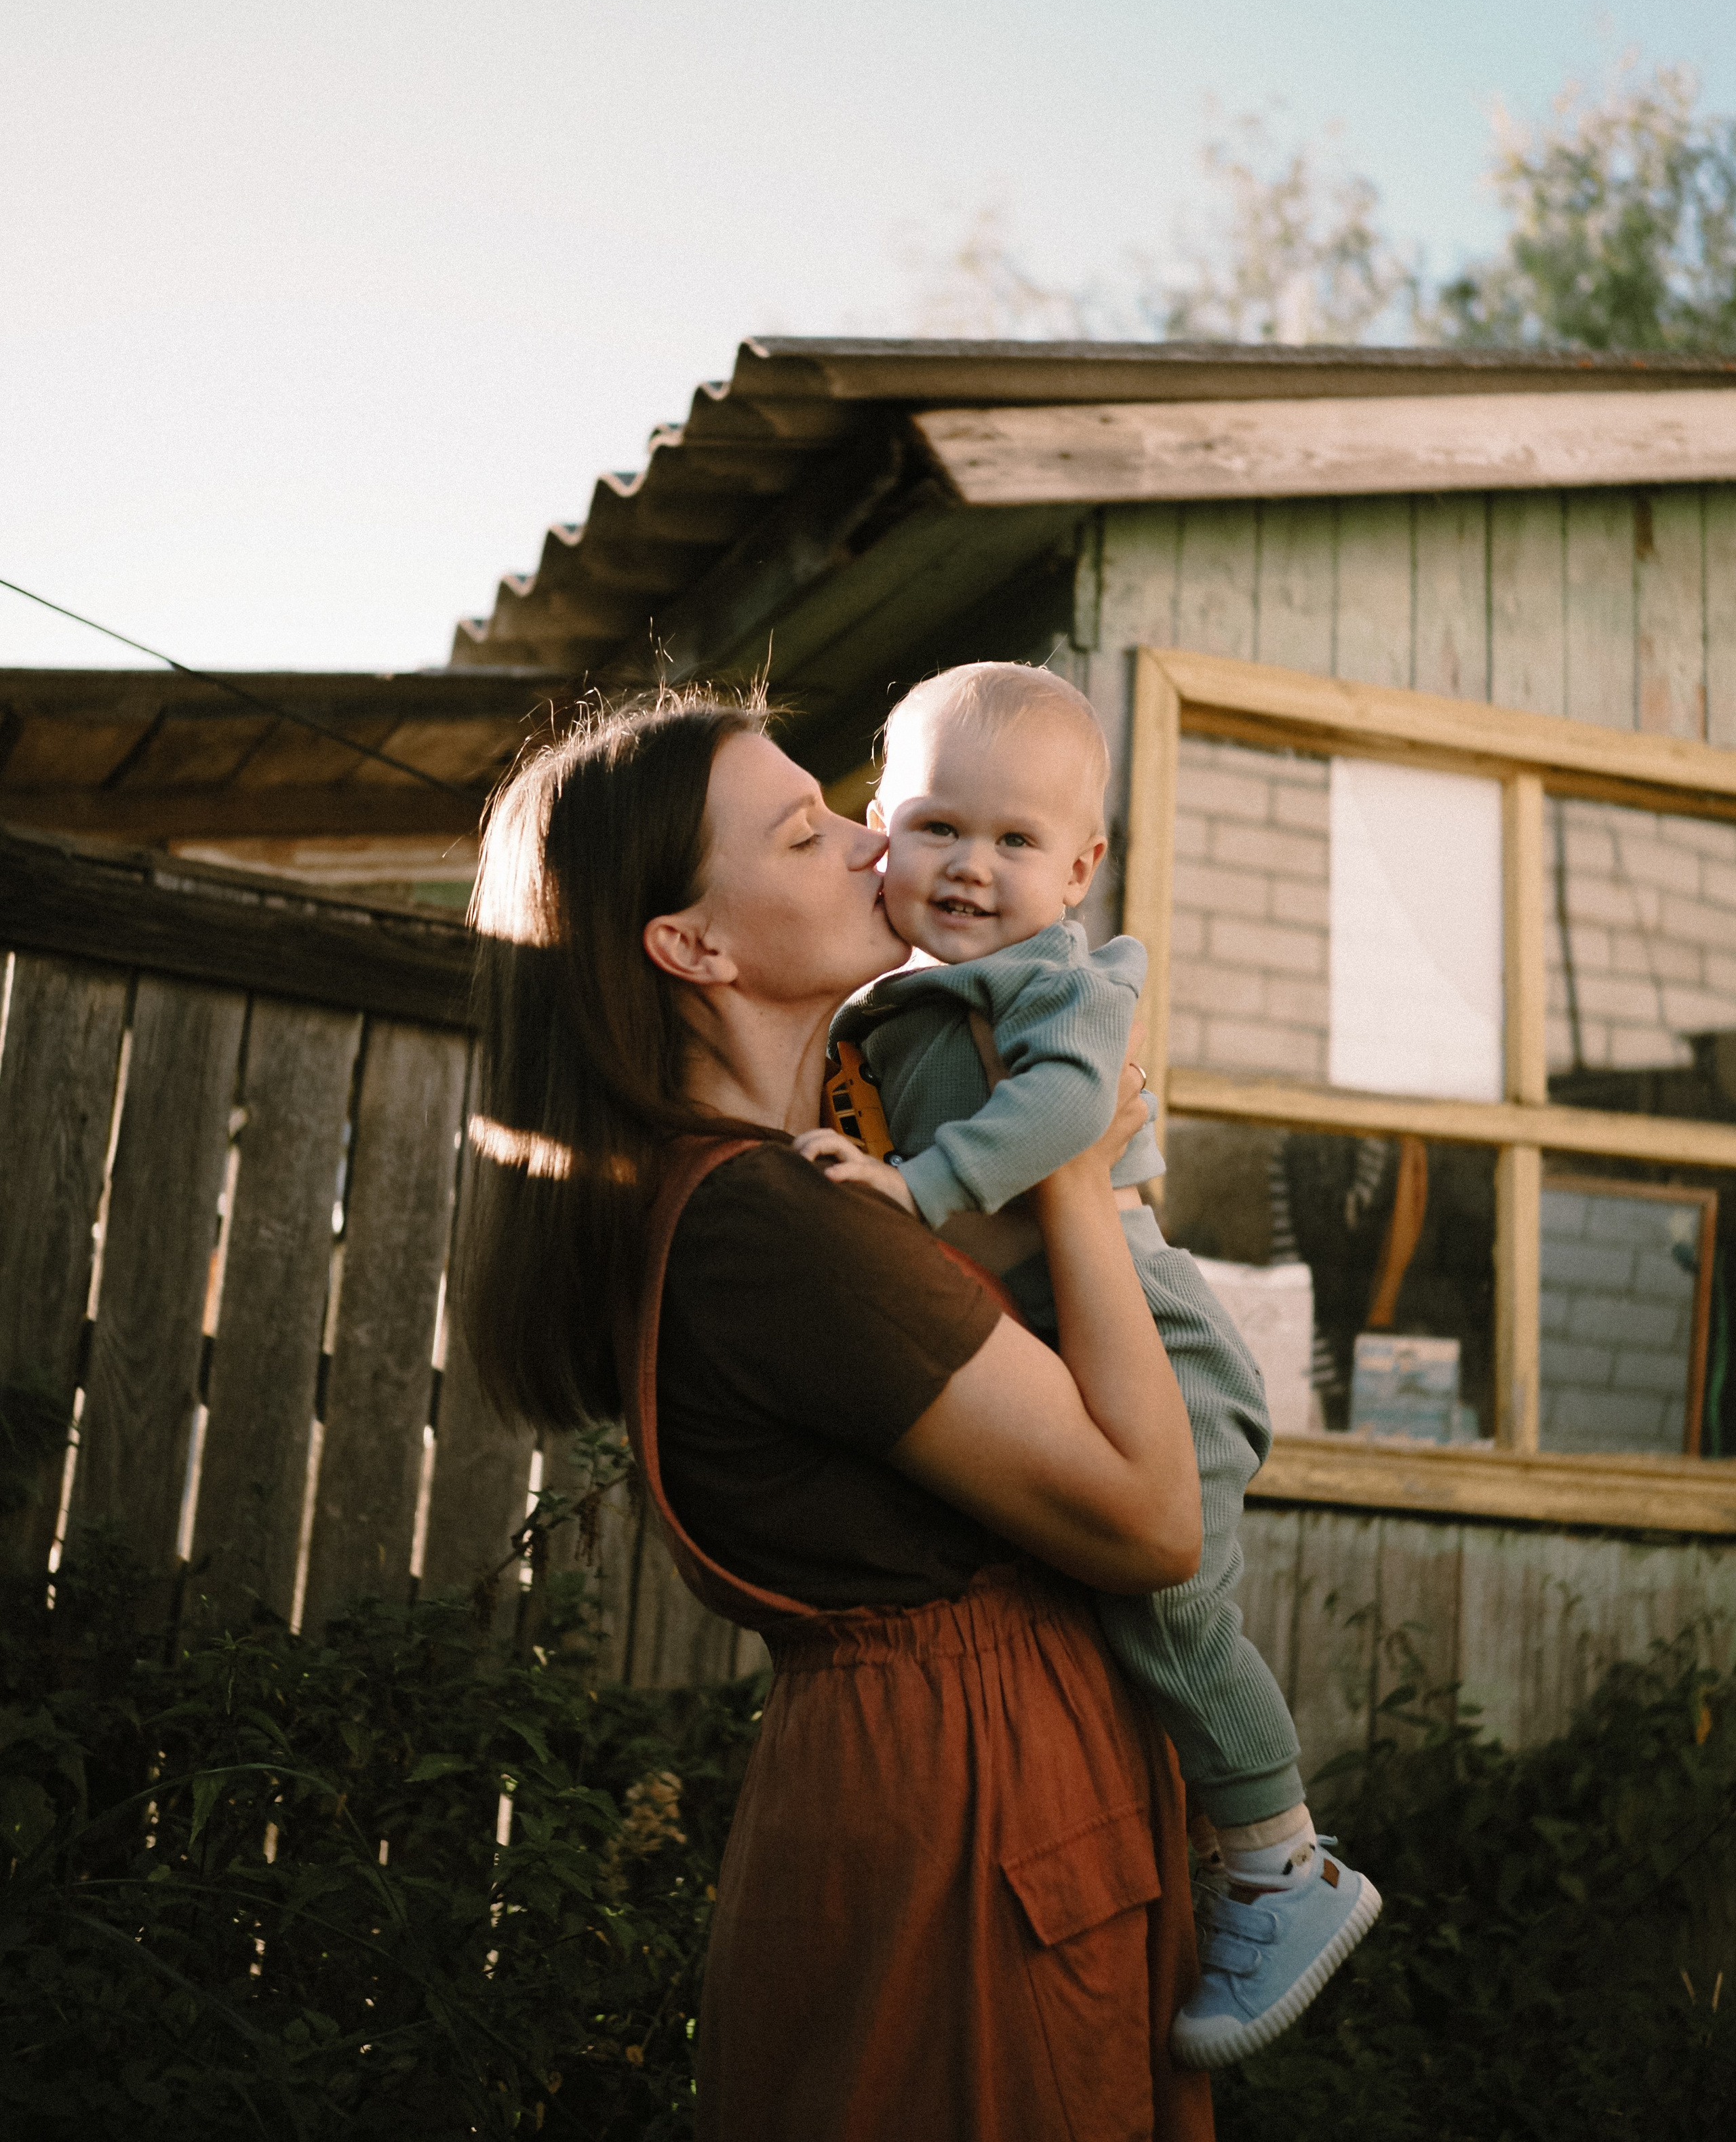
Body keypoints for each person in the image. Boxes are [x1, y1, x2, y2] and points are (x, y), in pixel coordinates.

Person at [458, 688, 1215, 2142]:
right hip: (965, 1834)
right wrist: (1070, 1164)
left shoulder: (811, 1167)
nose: (881, 845)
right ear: (693, 946)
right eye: (808, 833)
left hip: (945, 1808)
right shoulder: (778, 1228)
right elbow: (1152, 1516)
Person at [805, 662, 1381, 2070]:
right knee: (1113, 1624)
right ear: (877, 822)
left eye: (1013, 844)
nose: (966, 868)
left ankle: (1281, 1863)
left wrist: (921, 1189)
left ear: (1081, 865)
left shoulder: (1063, 976)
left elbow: (1067, 1109)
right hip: (1064, 1335)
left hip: (1157, 1343)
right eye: (936, 826)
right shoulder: (898, 998)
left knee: (1169, 1612)